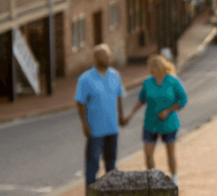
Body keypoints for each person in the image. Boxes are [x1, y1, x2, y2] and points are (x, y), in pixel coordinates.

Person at [122, 54, 187, 185]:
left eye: (153, 67)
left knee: (170, 153)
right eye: (150, 67)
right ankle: (152, 180)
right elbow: (141, 100)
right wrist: (131, 114)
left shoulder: (173, 82)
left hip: (168, 124)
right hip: (150, 123)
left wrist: (168, 110)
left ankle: (174, 178)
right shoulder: (148, 82)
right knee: (148, 153)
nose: (151, 70)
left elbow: (183, 100)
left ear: (161, 68)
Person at [76, 44, 125, 186]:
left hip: (112, 128)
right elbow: (80, 103)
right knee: (93, 165)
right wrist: (84, 124)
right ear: (96, 58)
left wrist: (121, 116)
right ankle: (90, 193)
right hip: (95, 130)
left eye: (108, 56)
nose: (108, 59)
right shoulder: (85, 79)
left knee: (111, 165)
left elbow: (119, 97)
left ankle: (111, 193)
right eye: (104, 57)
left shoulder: (115, 75)